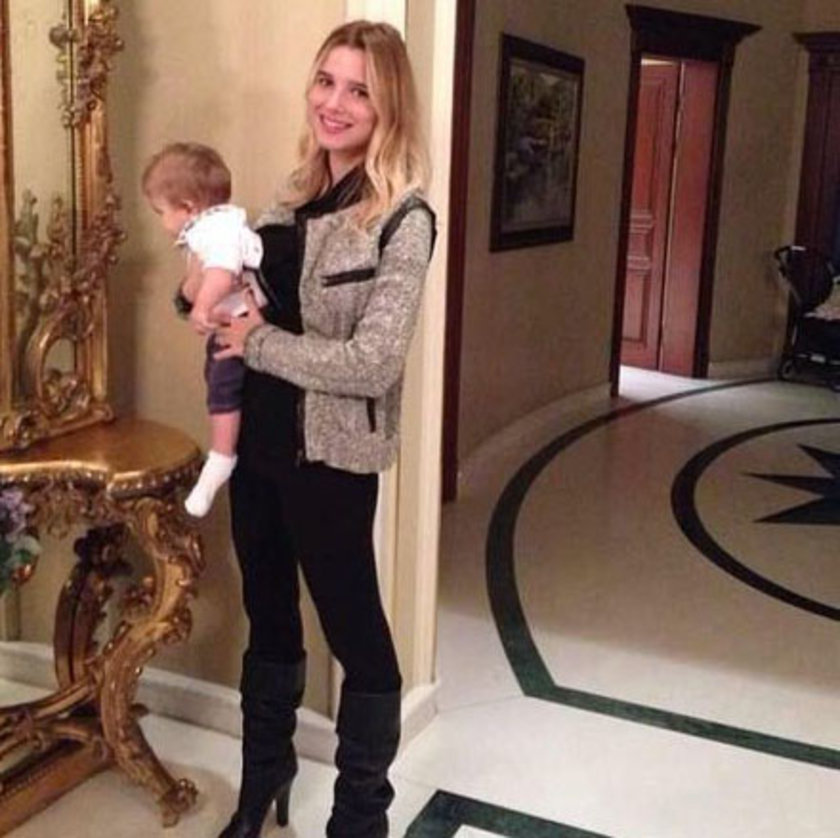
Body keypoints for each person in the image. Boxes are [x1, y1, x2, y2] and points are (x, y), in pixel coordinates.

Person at [209, 19, 435, 838]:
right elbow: (240, 297)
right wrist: (204, 292)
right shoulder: (289, 198)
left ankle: (360, 819)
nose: (334, 103)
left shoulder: (404, 219)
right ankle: (262, 780)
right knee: (268, 616)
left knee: (358, 639)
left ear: (388, 107)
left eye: (358, 91)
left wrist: (257, 342)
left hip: (331, 460)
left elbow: (373, 364)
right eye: (326, 81)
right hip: (257, 449)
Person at [142, 143, 266, 517]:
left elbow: (221, 273)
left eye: (161, 212)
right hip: (232, 322)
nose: (162, 223)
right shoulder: (216, 226)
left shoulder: (215, 230)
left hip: (239, 323)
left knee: (223, 388)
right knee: (216, 380)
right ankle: (222, 451)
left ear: (188, 207)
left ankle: (221, 456)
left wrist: (201, 307)